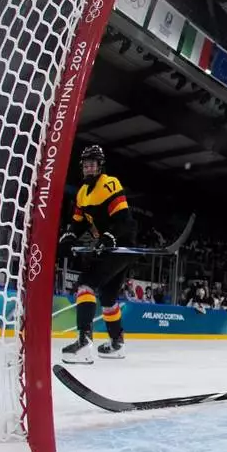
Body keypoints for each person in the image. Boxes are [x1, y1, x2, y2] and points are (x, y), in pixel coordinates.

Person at [59, 145, 136, 363]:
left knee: (86, 284)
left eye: (92, 164)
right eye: (85, 165)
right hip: (109, 246)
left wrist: (110, 236)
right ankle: (117, 343)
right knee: (109, 298)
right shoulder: (82, 194)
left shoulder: (110, 184)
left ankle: (84, 343)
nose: (88, 168)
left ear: (100, 166)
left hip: (122, 246)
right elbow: (77, 223)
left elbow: (125, 221)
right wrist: (69, 236)